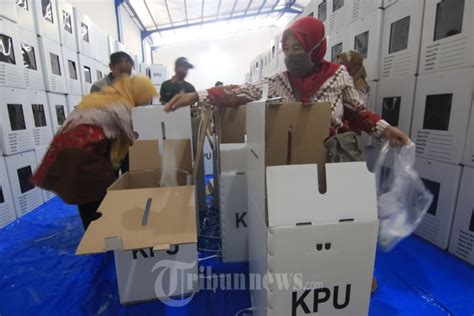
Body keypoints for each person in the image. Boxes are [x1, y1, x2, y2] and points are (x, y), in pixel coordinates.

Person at [164, 17, 409, 148]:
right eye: (287, 49)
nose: (291, 55)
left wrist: (384, 129)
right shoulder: (277, 81)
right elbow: (238, 92)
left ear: (316, 47)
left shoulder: (338, 76)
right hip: (289, 156)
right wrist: (196, 95)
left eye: (298, 48)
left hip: (331, 156)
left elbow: (358, 113)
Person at [31, 75, 158, 230]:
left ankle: (94, 231)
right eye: (146, 97)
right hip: (81, 155)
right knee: (96, 195)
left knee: (85, 195)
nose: (146, 101)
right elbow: (131, 138)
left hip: (65, 151)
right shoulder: (121, 106)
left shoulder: (102, 97)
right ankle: (100, 236)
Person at [90, 51, 135, 176]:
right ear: (111, 67)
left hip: (128, 141)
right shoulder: (99, 87)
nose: (125, 76)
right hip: (109, 142)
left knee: (131, 174)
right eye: (121, 71)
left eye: (128, 72)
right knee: (109, 177)